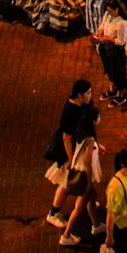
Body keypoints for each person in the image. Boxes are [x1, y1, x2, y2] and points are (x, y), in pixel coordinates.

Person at [45, 79, 95, 228]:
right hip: (72, 152)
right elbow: (66, 138)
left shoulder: (82, 106)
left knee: (74, 181)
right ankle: (53, 213)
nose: (90, 96)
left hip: (79, 149)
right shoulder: (70, 112)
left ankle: (87, 201)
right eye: (87, 93)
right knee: (67, 183)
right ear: (79, 95)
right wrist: (71, 159)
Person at [59, 106, 107, 246]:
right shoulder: (90, 138)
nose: (99, 119)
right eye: (98, 117)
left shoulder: (81, 131)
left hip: (80, 170)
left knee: (92, 199)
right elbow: (87, 161)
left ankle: (96, 225)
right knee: (79, 207)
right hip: (85, 175)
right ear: (93, 120)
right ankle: (66, 235)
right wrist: (89, 181)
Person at [96, 0, 127, 106]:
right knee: (109, 69)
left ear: (117, 9)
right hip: (105, 49)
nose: (109, 13)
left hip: (116, 52)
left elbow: (121, 41)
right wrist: (100, 32)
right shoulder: (107, 15)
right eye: (108, 11)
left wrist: (106, 38)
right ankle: (112, 89)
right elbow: (102, 25)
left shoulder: (122, 23)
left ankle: (120, 94)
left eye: (111, 11)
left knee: (118, 72)